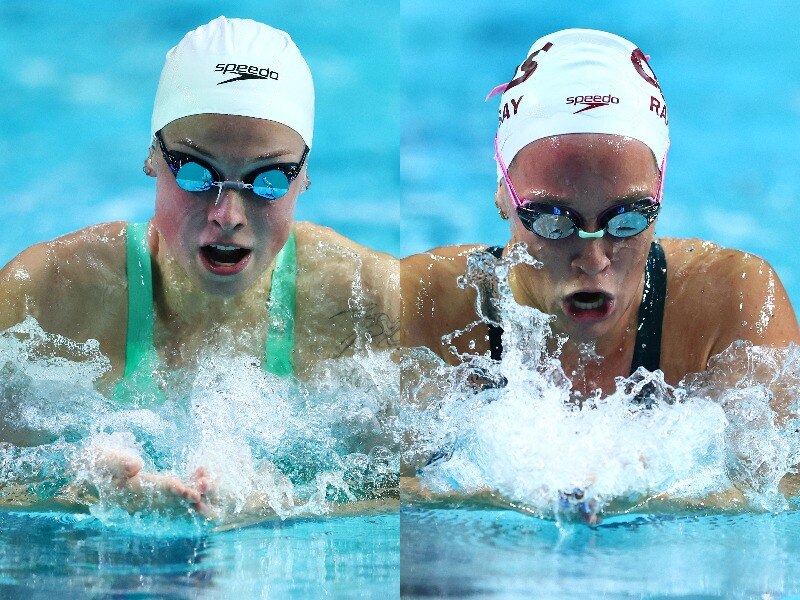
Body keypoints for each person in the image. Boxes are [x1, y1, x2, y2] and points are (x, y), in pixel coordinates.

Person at [0, 17, 398, 516]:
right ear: (152, 156)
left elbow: (420, 490)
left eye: (269, 178)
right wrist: (79, 496)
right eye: (195, 172)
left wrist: (275, 507)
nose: (227, 215)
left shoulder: (366, 299)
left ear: (304, 176)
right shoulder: (45, 295)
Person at [400, 29, 800, 513]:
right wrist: (507, 497)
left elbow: (781, 498)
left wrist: (637, 496)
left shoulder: (731, 307)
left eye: (627, 218)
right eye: (552, 220)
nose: (593, 259)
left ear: (660, 191)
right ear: (503, 191)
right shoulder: (423, 308)